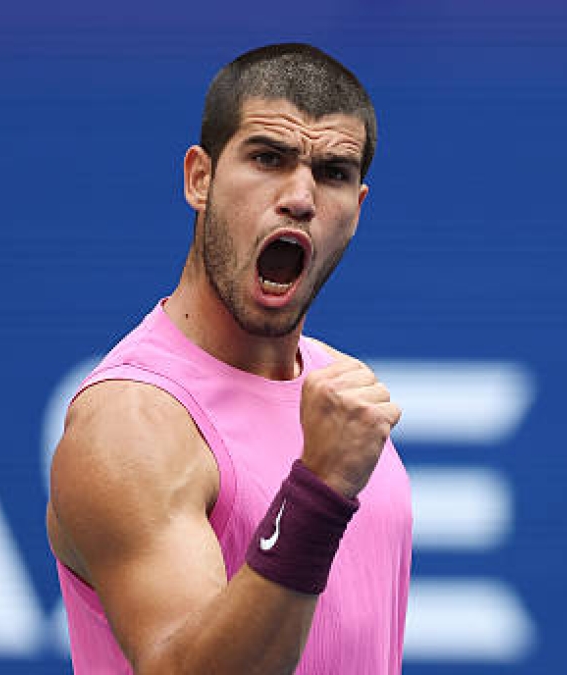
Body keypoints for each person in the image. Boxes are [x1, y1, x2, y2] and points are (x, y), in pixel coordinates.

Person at [46, 43, 412, 674]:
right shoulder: (132, 423)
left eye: (332, 173)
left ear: (356, 211)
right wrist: (318, 490)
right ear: (200, 179)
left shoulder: (338, 392)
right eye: (268, 159)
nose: (301, 197)